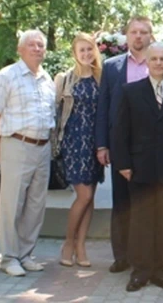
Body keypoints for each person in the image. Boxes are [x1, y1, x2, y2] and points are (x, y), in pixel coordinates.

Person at [113, 41, 163, 292]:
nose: (159, 63)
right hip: (139, 169)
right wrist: (123, 164)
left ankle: (161, 271)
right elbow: (120, 132)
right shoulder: (131, 92)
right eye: (154, 59)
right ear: (147, 62)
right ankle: (140, 272)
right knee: (141, 221)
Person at [0, 29, 55, 277]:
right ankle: (9, 257)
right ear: (20, 49)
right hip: (16, 144)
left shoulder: (47, 79)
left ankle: (26, 254)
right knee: (11, 204)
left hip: (42, 147)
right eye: (32, 45)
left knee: (36, 205)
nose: (37, 49)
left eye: (41, 45)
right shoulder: (7, 76)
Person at [95, 16, 153, 274]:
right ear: (127, 36)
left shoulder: (160, 63)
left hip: (151, 145)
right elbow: (103, 108)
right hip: (121, 144)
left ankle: (147, 256)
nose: (138, 36)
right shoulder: (112, 67)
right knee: (122, 202)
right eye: (134, 32)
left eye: (143, 32)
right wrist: (102, 145)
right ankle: (121, 256)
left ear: (151, 36)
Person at [53, 33, 105, 268]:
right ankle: (68, 242)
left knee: (90, 198)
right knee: (83, 195)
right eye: (81, 50)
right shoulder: (64, 79)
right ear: (74, 53)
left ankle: (81, 246)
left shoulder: (101, 79)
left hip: (94, 144)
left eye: (89, 49)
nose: (86, 54)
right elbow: (54, 114)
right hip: (73, 143)